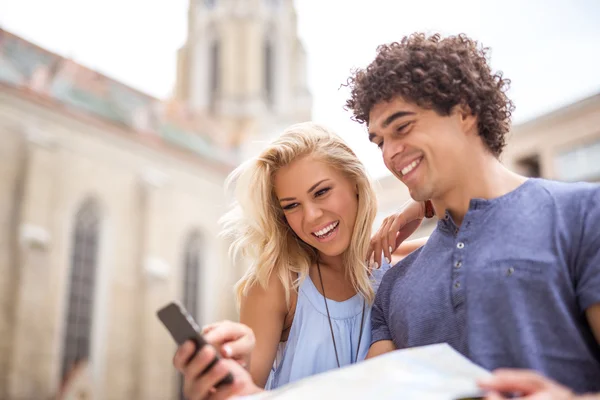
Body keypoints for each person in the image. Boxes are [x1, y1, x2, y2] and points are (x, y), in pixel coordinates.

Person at [343, 32, 600, 393]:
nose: (389, 153)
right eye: (380, 141)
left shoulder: (583, 214)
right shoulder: (394, 285)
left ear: (464, 111)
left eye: (402, 127)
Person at [172, 122, 430, 399]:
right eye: (292, 205)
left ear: (355, 183)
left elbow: (478, 216)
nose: (310, 216)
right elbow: (241, 391)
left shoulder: (406, 265)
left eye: (321, 192)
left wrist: (421, 206)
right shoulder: (279, 284)